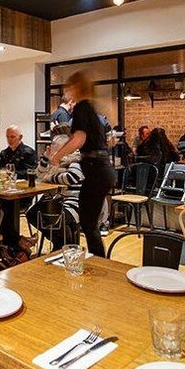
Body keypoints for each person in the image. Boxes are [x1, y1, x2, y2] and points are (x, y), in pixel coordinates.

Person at [49, 71, 115, 257]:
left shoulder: (81, 108)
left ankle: (99, 262)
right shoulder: (91, 109)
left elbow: (79, 138)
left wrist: (57, 156)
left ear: (77, 87)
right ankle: (98, 260)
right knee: (89, 223)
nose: (68, 91)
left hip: (96, 171)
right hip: (102, 170)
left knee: (88, 224)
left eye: (70, 87)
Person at [26, 132, 84, 248]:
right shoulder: (55, 162)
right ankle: (60, 242)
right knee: (32, 213)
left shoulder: (75, 160)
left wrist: (50, 178)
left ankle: (63, 244)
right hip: (56, 201)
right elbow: (38, 175)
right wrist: (46, 157)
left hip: (74, 203)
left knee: (49, 215)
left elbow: (73, 177)